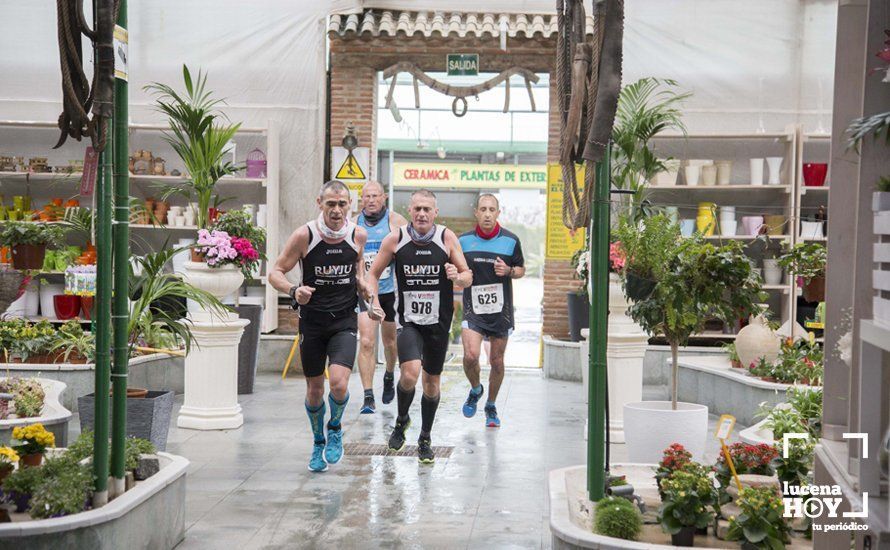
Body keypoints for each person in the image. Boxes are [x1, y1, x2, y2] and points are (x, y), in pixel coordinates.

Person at [269, 180, 373, 472]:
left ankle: (335, 427)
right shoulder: (305, 236)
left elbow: (358, 268)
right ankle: (318, 441)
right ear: (320, 203)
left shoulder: (358, 235)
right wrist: (293, 291)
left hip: (344, 321)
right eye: (331, 204)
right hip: (312, 323)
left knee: (339, 384)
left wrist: (363, 285)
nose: (337, 210)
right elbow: (275, 272)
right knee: (315, 390)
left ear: (350, 205)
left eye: (342, 204)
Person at [366, 189, 473, 463]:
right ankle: (402, 420)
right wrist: (373, 300)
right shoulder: (396, 239)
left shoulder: (446, 237)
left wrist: (457, 276)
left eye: (427, 209)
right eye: (417, 209)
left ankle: (425, 436)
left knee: (432, 384)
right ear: (410, 211)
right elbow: (373, 274)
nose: (422, 214)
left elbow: (467, 276)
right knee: (410, 374)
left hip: (438, 324)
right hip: (409, 321)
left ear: (435, 212)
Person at [458, 193, 525, 428]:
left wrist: (508, 271)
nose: (487, 214)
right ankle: (476, 389)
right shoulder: (463, 241)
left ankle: (491, 405)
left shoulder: (511, 240)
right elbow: (457, 270)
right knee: (470, 356)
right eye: (483, 209)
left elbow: (521, 270)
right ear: (476, 212)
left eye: (492, 209)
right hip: (472, 309)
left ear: (498, 213)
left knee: (496, 361)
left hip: (500, 311)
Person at [355, 181, 407, 414]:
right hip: (365, 293)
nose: (371, 200)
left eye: (376, 196)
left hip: (389, 291)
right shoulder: (353, 224)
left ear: (384, 197)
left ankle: (388, 374)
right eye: (367, 196)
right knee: (366, 341)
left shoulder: (395, 222)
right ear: (362, 199)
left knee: (390, 342)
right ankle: (368, 396)